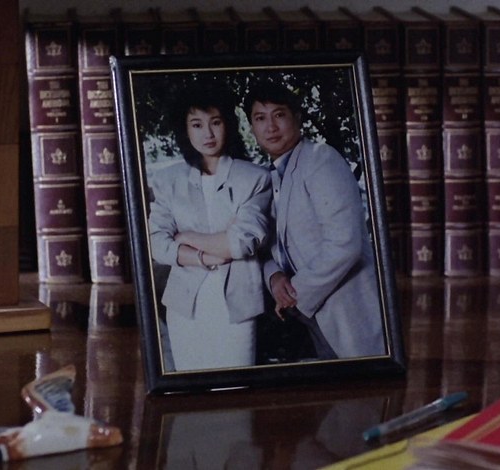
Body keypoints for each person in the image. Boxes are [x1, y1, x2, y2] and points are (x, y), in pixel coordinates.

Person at [242, 81, 385, 360]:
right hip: (313, 315)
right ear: (252, 127)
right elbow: (267, 243)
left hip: (348, 310)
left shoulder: (321, 159)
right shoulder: (269, 176)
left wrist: (295, 294)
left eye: (279, 115)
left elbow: (345, 244)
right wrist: (274, 277)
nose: (270, 127)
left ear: (297, 118)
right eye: (260, 118)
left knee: (367, 384)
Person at [148, 84, 271, 371]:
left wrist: (186, 237)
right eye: (197, 124)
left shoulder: (254, 178)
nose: (208, 134)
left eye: (215, 122)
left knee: (236, 385)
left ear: (228, 124)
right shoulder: (167, 180)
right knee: (190, 388)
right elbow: (156, 243)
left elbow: (241, 243)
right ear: (185, 129)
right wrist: (205, 256)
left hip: (238, 308)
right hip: (184, 306)